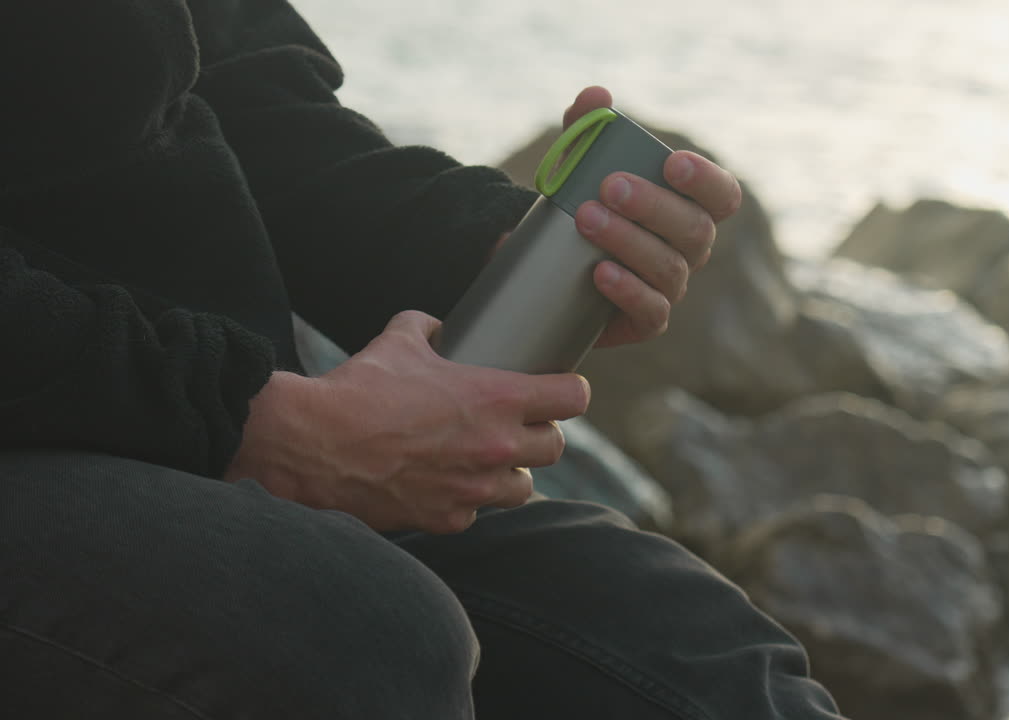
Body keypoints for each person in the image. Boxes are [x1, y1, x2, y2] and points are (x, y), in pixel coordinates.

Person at [0, 1, 844, 717]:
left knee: (713, 662)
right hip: (69, 418)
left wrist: (477, 248)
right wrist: (251, 423)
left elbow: (225, 84)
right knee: (362, 641)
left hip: (188, 404)